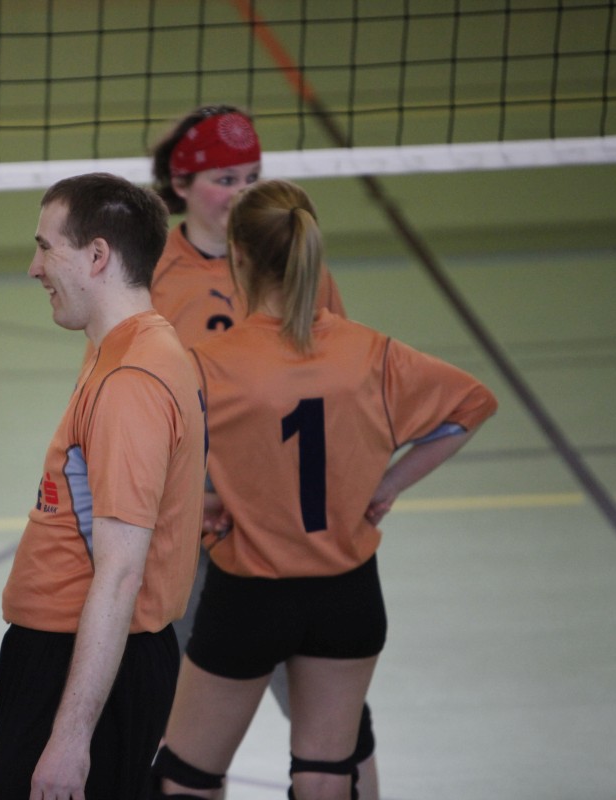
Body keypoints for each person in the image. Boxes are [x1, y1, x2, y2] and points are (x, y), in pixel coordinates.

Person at [151, 179, 497, 800]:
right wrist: (388, 484)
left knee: (186, 776)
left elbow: (144, 460)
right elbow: (471, 405)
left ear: (238, 257)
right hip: (348, 594)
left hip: (251, 595)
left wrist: (201, 505)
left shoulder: (210, 364)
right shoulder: (371, 353)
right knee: (325, 776)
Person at [148, 104, 378, 797]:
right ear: (181, 184)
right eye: (225, 179)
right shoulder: (153, 275)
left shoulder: (297, 263)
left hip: (283, 528)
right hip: (190, 523)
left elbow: (338, 380)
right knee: (179, 719)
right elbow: (136, 407)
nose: (243, 192)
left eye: (253, 176)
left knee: (336, 725)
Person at [0, 173, 206, 799]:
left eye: (46, 247)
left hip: (82, 670)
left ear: (98, 255)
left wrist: (69, 739)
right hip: (79, 657)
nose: (34, 268)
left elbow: (120, 572)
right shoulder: (126, 349)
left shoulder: (131, 380)